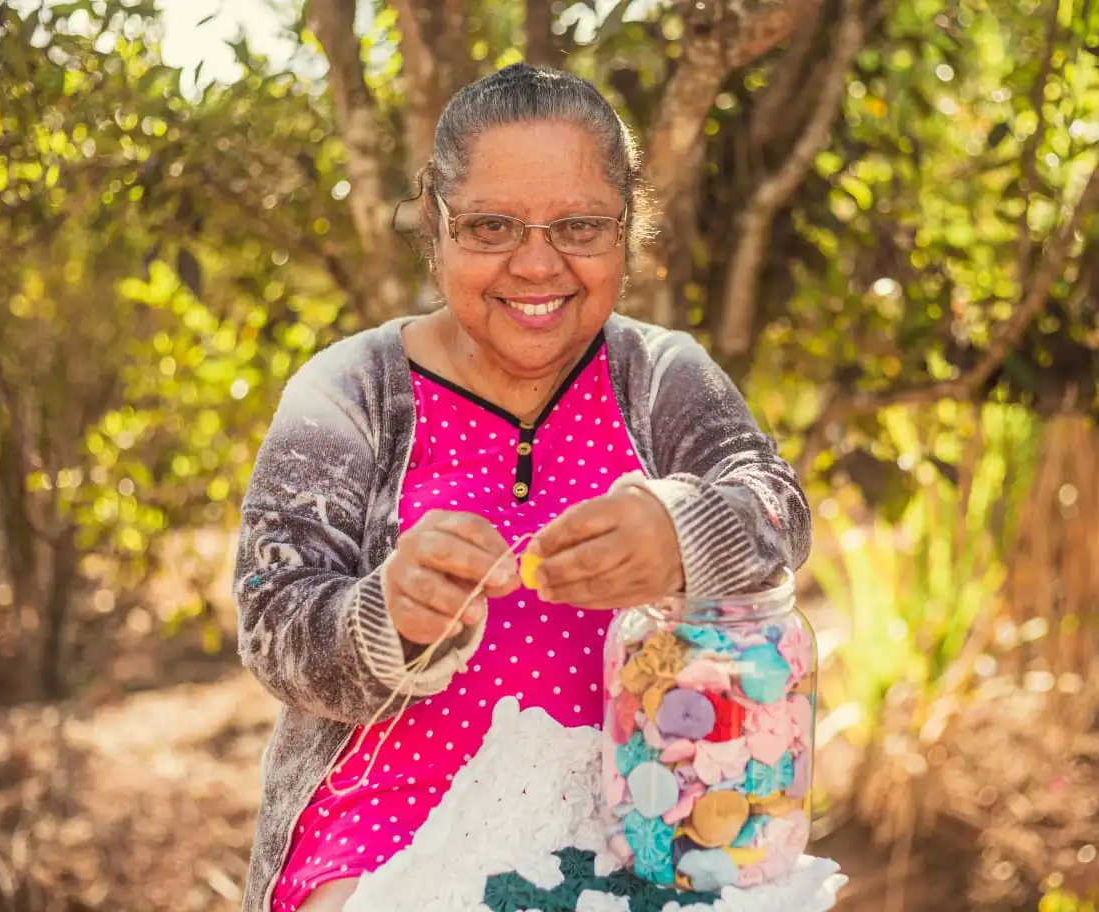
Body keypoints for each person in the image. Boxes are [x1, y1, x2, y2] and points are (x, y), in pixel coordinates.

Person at [233, 62, 811, 912]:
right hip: (389, 823)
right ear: (436, 227)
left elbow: (777, 506)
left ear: (626, 230)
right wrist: (386, 614)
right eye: (492, 226)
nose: (537, 265)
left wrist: (681, 530)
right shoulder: (350, 391)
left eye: (579, 226)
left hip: (655, 807)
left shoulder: (660, 377)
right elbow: (273, 618)